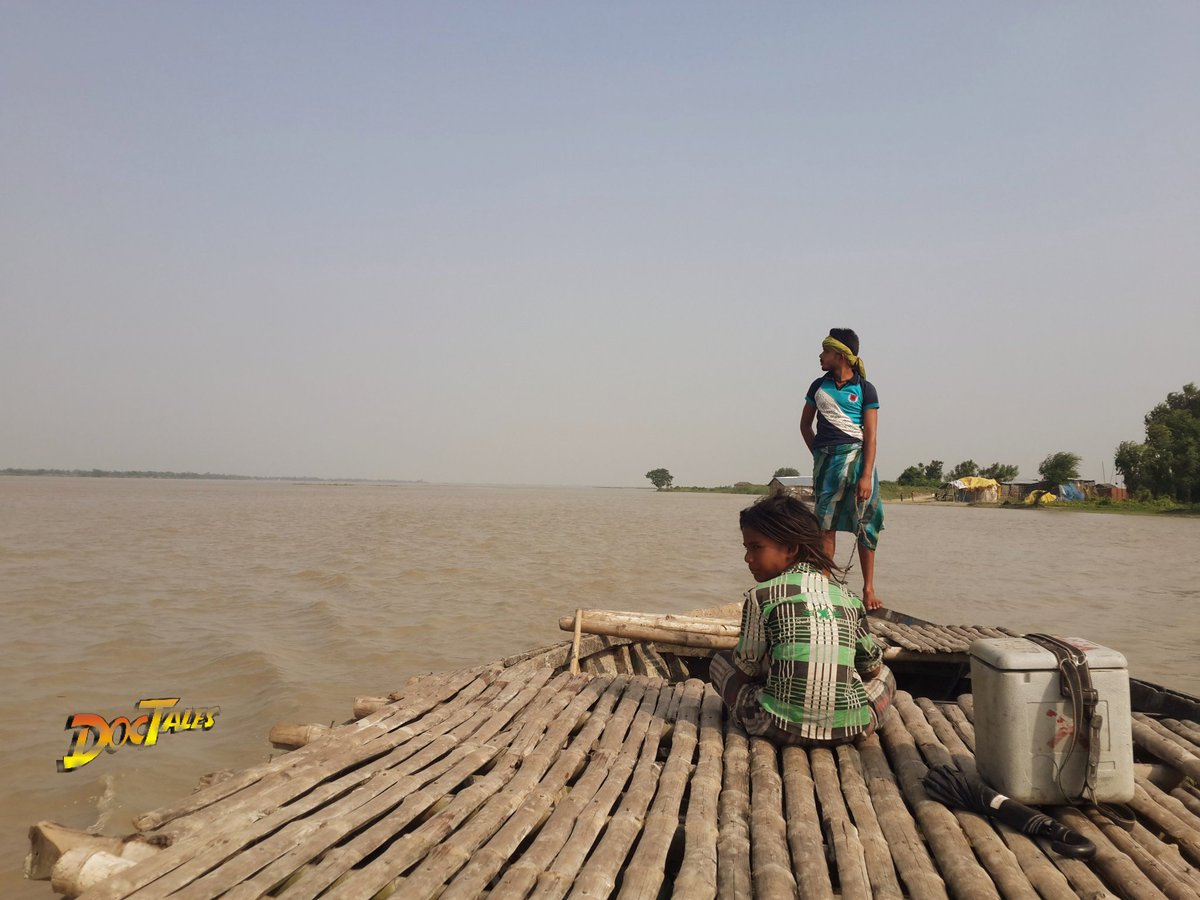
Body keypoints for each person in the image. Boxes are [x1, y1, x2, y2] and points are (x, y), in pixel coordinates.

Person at [710, 493, 895, 746]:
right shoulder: (848, 598)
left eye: (756, 547)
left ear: (790, 549)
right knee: (886, 676)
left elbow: (745, 674)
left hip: (773, 725)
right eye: (746, 548)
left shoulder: (760, 596)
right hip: (849, 730)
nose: (748, 558)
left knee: (719, 662)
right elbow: (871, 668)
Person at [800, 327, 885, 609]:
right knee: (825, 524)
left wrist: (865, 476)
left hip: (858, 460)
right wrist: (819, 455)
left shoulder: (864, 389)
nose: (820, 356)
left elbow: (871, 436)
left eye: (825, 351)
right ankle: (824, 584)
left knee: (866, 523)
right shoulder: (818, 387)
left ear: (840, 355)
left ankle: (869, 589)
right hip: (827, 461)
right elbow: (805, 425)